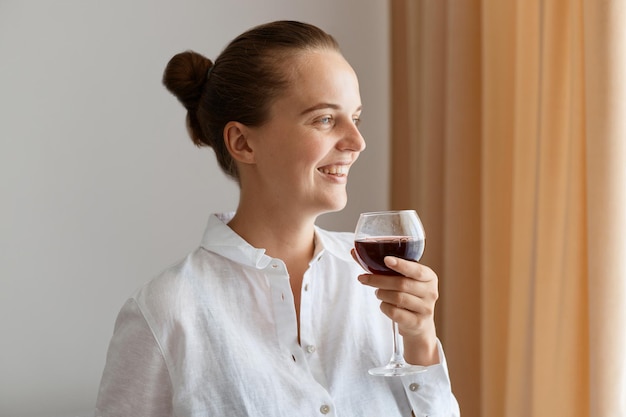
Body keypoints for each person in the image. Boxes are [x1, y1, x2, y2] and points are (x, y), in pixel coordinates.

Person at [95, 20, 459, 417]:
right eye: (324, 119)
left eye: (356, 117)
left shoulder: (376, 288)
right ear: (243, 142)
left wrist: (421, 340)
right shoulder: (166, 312)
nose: (357, 142)